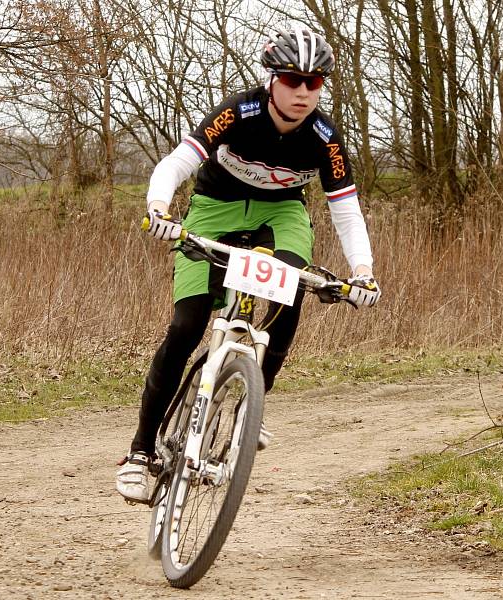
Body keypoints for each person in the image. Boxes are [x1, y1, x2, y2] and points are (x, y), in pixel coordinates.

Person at [116, 26, 380, 502]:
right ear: (271, 79)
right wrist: (159, 209)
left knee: (290, 294)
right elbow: (177, 162)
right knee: (186, 325)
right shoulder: (238, 112)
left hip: (281, 216)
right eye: (292, 80)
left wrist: (362, 271)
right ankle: (140, 451)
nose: (303, 92)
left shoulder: (326, 138)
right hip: (214, 210)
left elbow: (345, 209)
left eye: (314, 83)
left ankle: (249, 409)